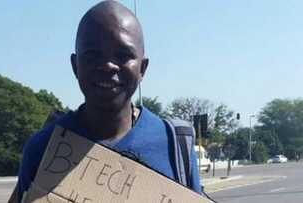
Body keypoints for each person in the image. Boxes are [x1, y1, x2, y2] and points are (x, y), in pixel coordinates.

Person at [14, 1, 202, 202]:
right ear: (75, 65)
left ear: (143, 68)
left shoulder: (176, 144)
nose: (108, 66)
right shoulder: (42, 148)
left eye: (123, 55)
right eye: (93, 55)